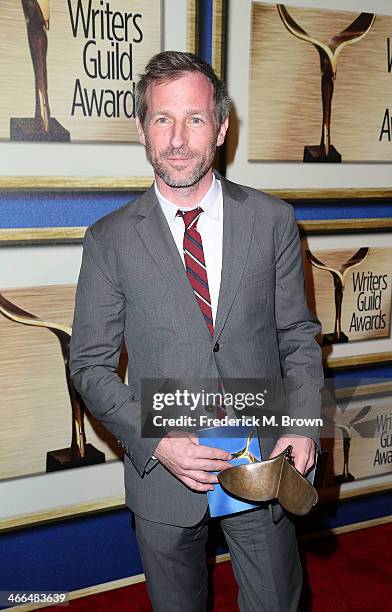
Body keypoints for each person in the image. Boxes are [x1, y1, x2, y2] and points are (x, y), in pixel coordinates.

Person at [70, 51, 324, 612]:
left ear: (223, 127)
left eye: (195, 118)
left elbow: (298, 335)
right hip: (165, 474)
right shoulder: (108, 240)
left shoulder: (273, 220)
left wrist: (304, 427)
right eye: (163, 119)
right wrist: (159, 443)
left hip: (262, 460)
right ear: (142, 129)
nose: (178, 138)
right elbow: (88, 364)